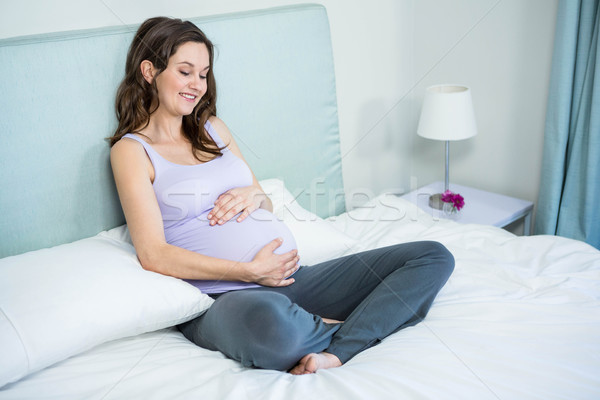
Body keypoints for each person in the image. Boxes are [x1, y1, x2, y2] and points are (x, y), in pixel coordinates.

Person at [109, 16, 454, 375]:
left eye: (203, 74)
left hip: (293, 279)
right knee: (277, 333)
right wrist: (248, 272)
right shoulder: (132, 151)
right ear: (149, 71)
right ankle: (346, 324)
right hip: (225, 298)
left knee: (432, 257)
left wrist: (256, 198)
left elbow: (263, 200)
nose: (197, 84)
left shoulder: (212, 127)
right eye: (185, 71)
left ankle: (337, 346)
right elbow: (153, 254)